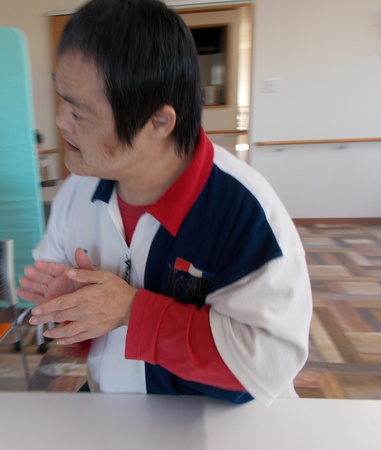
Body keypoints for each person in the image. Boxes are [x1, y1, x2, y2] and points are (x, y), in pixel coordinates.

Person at [17, 0, 312, 405]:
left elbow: (266, 365)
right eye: (61, 99)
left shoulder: (242, 209)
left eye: (79, 113)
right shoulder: (77, 192)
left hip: (222, 422)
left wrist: (131, 311)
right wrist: (70, 312)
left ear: (158, 122)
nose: (61, 121)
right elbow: (81, 346)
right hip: (119, 411)